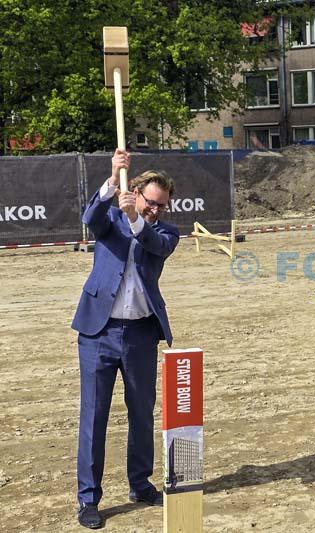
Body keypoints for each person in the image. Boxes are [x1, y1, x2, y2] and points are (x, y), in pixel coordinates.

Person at [71, 149, 179, 528]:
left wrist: (137, 217)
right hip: (98, 332)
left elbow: (155, 245)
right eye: (151, 202)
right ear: (135, 192)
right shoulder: (110, 218)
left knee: (141, 412)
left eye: (162, 205)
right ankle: (88, 499)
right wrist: (111, 179)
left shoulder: (166, 232)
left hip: (140, 335)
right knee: (94, 416)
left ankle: (140, 483)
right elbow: (90, 219)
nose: (155, 210)